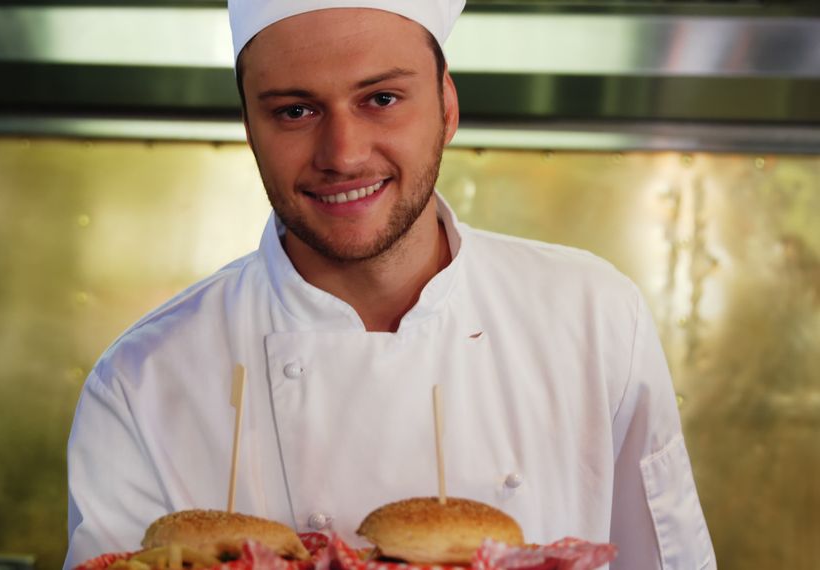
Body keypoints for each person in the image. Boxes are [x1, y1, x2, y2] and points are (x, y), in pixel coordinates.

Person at [65, 1, 716, 568]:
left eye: (381, 98)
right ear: (249, 128)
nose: (343, 153)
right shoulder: (139, 385)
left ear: (448, 106)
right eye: (294, 110)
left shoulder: (595, 319)